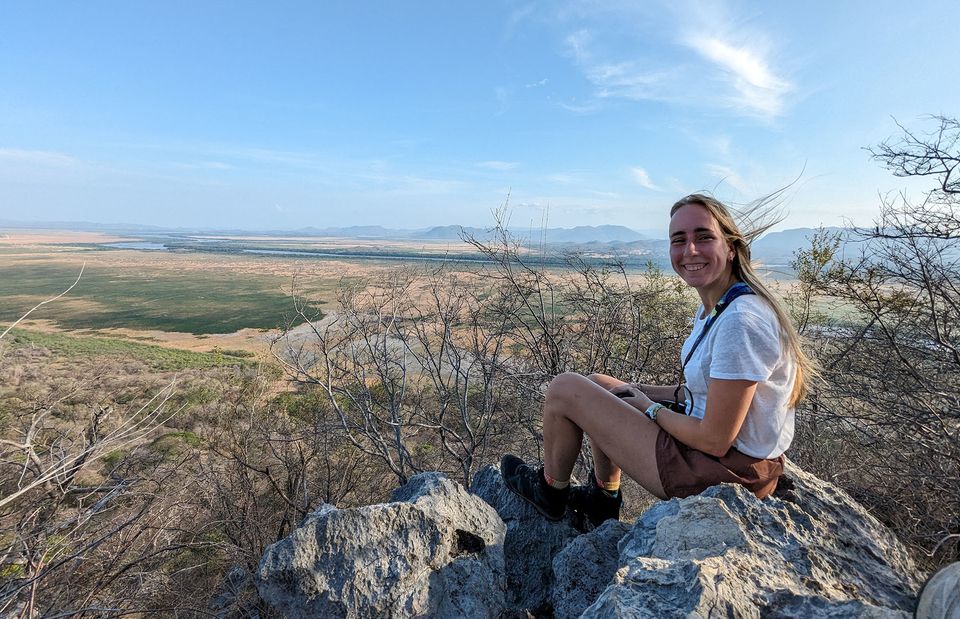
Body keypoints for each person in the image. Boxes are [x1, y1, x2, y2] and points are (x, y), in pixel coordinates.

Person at [501, 193, 816, 526]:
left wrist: (649, 408)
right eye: (679, 240)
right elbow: (706, 393)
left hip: (724, 475)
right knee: (601, 385)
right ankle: (603, 498)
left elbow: (714, 438)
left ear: (731, 248)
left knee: (564, 388)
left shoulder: (741, 321)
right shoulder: (720, 306)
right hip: (729, 461)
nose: (690, 250)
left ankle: (551, 492)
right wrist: (633, 391)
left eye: (704, 237)